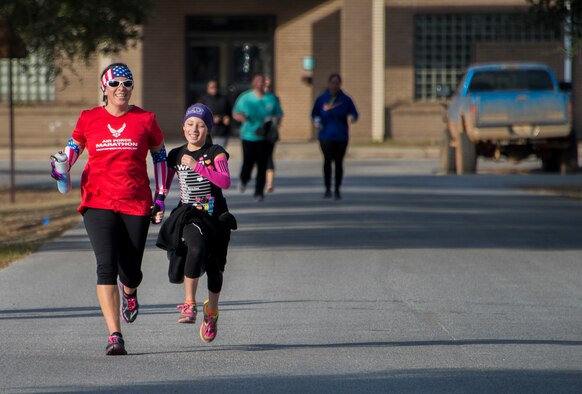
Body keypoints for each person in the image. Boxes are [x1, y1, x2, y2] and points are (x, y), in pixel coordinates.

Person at [50, 63, 168, 356]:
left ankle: (130, 291)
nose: (121, 89)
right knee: (105, 265)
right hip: (97, 201)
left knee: (130, 269)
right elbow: (72, 150)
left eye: (127, 84)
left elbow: (160, 157)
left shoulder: (146, 119)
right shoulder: (89, 118)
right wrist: (61, 166)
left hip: (135, 201)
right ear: (104, 88)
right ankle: (115, 334)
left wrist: (162, 195)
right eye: (115, 84)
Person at [156, 103, 236, 344]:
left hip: (216, 217)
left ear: (207, 129)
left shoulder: (216, 152)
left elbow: (225, 182)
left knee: (215, 270)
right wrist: (158, 203)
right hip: (189, 214)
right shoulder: (176, 154)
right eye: (190, 124)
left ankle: (211, 312)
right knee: (196, 247)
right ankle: (189, 303)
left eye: (200, 125)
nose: (195, 129)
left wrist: (198, 166)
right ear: (183, 128)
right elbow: (165, 184)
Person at [232, 73, 283, 202]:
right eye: (258, 81)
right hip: (249, 135)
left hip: (265, 138)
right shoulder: (245, 97)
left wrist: (274, 121)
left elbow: (279, 114)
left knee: (262, 165)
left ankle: (259, 192)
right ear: (253, 83)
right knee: (248, 162)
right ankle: (244, 179)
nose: (260, 83)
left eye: (262, 81)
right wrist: (241, 117)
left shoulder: (271, 98)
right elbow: (235, 113)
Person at [311, 73, 358, 200]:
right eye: (332, 83)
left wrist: (352, 118)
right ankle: (327, 188)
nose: (334, 85)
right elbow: (314, 113)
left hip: (341, 136)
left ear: (340, 84)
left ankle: (337, 188)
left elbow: (354, 113)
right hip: (326, 135)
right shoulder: (322, 99)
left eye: (337, 83)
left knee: (338, 162)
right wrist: (316, 121)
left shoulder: (345, 99)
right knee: (327, 160)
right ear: (328, 83)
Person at [199, 80, 232, 148]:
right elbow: (199, 116)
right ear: (207, 88)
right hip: (208, 133)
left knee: (219, 153)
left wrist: (228, 118)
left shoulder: (224, 99)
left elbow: (230, 112)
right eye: (211, 87)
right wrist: (211, 119)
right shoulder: (203, 99)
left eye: (215, 87)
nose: (214, 89)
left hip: (222, 131)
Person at [263, 76, 281, 193]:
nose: (266, 88)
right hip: (256, 133)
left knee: (268, 157)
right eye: (264, 85)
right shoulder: (254, 99)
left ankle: (269, 183)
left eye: (269, 86)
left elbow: (279, 115)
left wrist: (275, 123)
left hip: (270, 132)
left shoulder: (274, 99)